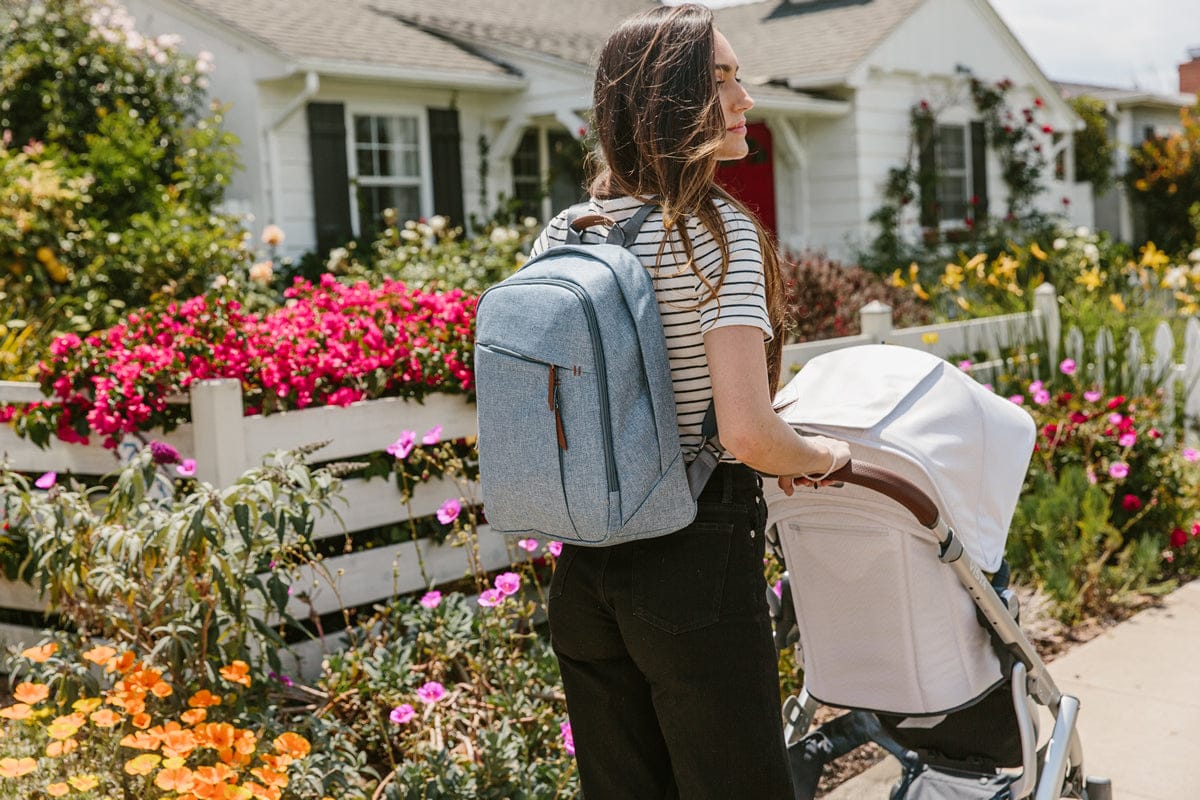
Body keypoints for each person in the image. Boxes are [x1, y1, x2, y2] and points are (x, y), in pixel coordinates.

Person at [531, 4, 851, 797]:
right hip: (692, 553)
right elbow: (745, 432)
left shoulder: (564, 234)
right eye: (721, 80)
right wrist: (823, 456)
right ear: (665, 99)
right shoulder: (713, 234)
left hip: (584, 564)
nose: (744, 99)